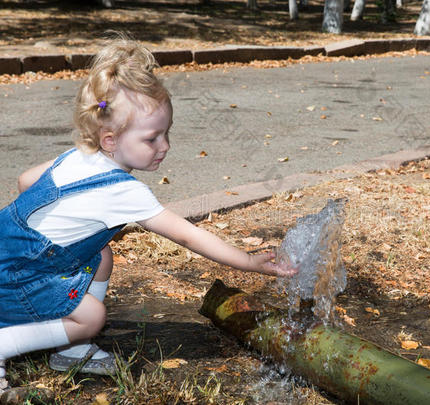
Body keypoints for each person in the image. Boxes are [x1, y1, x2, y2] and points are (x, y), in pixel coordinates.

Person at [0, 37, 296, 392]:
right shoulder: (124, 191)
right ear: (110, 140)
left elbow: (24, 181)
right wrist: (249, 262)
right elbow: (187, 234)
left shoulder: (77, 155)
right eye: (152, 138)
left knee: (101, 253)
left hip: (9, 256)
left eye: (166, 134)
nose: (165, 146)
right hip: (13, 279)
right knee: (92, 317)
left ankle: (70, 349)